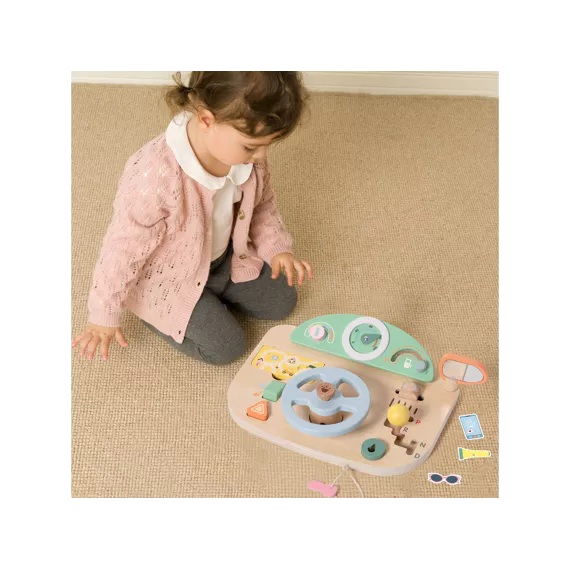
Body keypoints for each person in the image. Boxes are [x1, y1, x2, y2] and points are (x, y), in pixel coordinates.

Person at [72, 71, 312, 365]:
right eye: (251, 146)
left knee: (283, 300)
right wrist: (103, 312)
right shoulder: (156, 176)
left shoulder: (248, 162)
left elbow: (262, 207)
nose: (261, 156)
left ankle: (212, 296)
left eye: (267, 145)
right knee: (227, 346)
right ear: (207, 120)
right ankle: (154, 307)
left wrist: (277, 249)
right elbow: (123, 247)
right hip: (169, 277)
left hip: (222, 260)